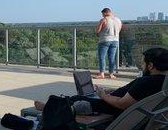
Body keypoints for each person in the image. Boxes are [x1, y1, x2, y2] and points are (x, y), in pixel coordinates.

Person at [34, 47, 168, 116]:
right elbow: (134, 96)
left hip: (115, 110)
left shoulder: (146, 82)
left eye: (143, 64)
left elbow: (122, 104)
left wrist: (104, 96)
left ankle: (49, 108)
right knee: (84, 97)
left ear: (150, 66)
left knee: (79, 99)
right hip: (142, 116)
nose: (142, 66)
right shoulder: (163, 81)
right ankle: (53, 105)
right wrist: (113, 92)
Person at [95, 7, 122, 79]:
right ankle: (111, 74)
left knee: (102, 57)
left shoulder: (103, 20)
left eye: (102, 14)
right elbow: (119, 29)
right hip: (115, 40)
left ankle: (102, 73)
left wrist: (98, 34)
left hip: (105, 40)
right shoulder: (118, 20)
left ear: (105, 13)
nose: (102, 16)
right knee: (112, 58)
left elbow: (97, 31)